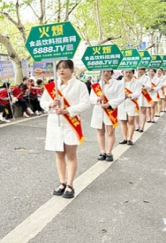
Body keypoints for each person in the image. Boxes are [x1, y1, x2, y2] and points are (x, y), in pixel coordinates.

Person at [40, 60, 90, 199]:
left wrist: (67, 110)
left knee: (71, 154)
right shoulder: (51, 86)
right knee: (59, 154)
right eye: (59, 68)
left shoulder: (80, 85)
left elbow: (86, 104)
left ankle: (70, 184)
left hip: (71, 124)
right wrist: (50, 103)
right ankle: (62, 182)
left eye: (65, 68)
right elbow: (42, 102)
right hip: (54, 124)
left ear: (72, 69)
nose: (62, 71)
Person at [90, 70, 124, 162]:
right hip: (98, 110)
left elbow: (121, 97)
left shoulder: (118, 84)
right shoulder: (96, 85)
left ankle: (109, 152)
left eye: (108, 71)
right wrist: (98, 99)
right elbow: (90, 98)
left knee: (110, 132)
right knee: (100, 132)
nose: (106, 73)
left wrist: (109, 104)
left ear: (112, 73)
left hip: (110, 110)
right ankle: (102, 151)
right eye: (104, 71)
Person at [118, 70, 142, 146]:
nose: (128, 74)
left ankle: (130, 138)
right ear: (123, 73)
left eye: (130, 72)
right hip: (122, 104)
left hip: (132, 103)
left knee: (131, 121)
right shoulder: (119, 83)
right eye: (126, 72)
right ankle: (125, 138)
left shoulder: (137, 82)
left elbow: (138, 93)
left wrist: (129, 96)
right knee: (123, 121)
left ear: (133, 73)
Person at [135, 68, 152, 132]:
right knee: (135, 111)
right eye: (139, 69)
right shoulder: (134, 77)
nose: (140, 71)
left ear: (144, 71)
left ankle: (142, 126)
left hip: (143, 95)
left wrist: (142, 85)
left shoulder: (147, 78)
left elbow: (149, 86)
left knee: (143, 111)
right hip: (135, 96)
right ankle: (137, 125)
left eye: (142, 69)